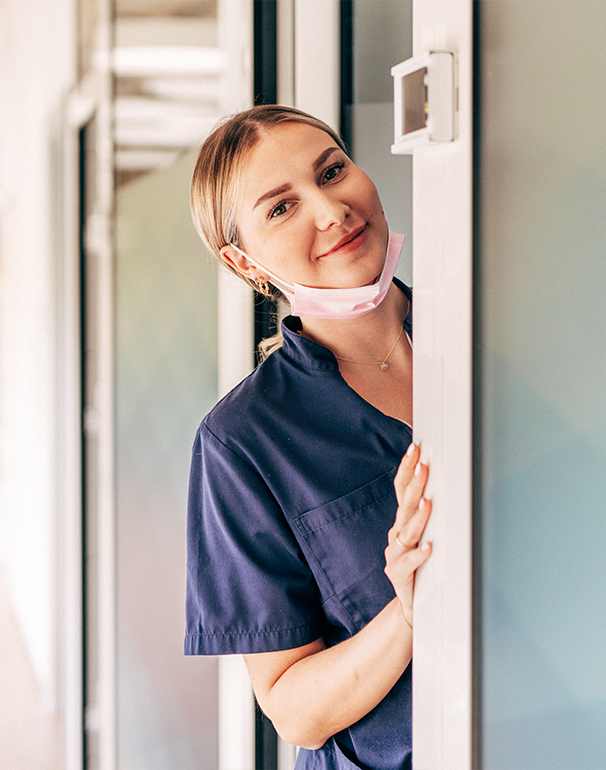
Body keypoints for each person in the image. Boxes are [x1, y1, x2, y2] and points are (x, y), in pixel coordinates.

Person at [185, 104, 432, 770]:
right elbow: (294, 709)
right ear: (245, 262)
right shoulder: (243, 442)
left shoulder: (493, 326)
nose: (332, 210)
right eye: (280, 208)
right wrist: (407, 612)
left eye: (333, 171)